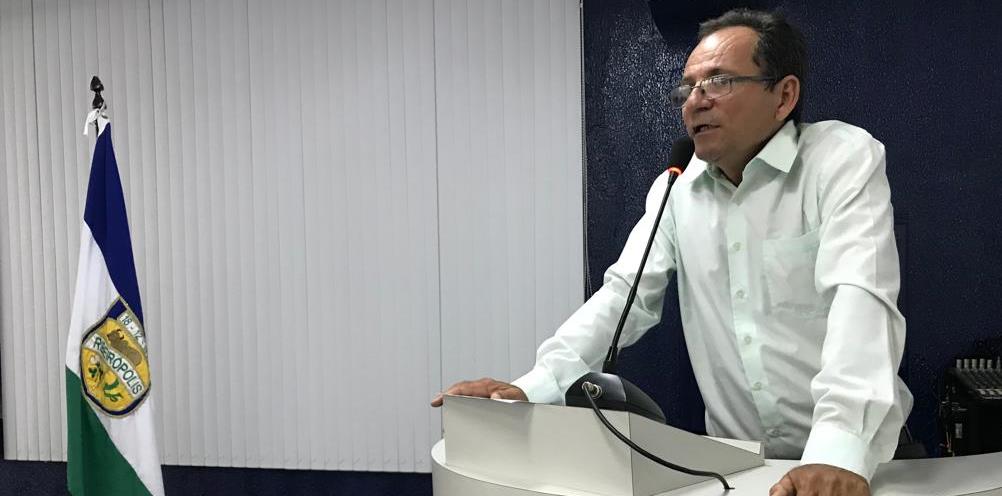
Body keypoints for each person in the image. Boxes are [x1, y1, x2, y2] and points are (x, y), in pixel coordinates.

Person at [431, 9, 912, 496]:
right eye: (688, 88)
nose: (695, 102)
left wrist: (837, 451)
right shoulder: (677, 189)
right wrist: (530, 388)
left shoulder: (840, 159)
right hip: (744, 466)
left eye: (719, 81)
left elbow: (861, 299)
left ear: (783, 96)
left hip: (855, 461)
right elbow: (623, 295)